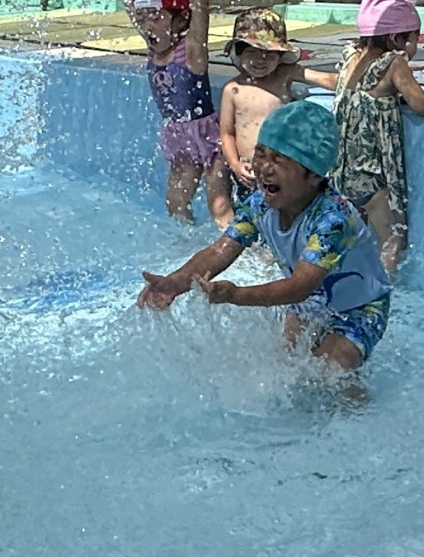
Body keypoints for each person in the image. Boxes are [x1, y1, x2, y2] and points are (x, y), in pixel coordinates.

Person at [137, 100, 391, 370]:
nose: (265, 167)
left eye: (279, 160)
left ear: (314, 175)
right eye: (261, 154)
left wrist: (236, 295)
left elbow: (299, 286)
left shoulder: (333, 219)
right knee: (289, 363)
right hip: (312, 300)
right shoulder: (260, 204)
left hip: (360, 306)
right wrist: (176, 282)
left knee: (333, 365)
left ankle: (357, 397)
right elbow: (219, 250)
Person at [330, 0, 424, 273]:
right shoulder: (393, 63)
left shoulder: (350, 56)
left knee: (348, 241)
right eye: (415, 38)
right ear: (395, 39)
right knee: (392, 240)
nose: (416, 46)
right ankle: (383, 292)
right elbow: (420, 103)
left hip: (341, 171)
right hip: (373, 176)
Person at [121, 0, 231, 225]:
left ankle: (237, 246)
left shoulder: (191, 50)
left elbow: (202, 2)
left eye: (156, 17)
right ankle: (187, 246)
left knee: (219, 205)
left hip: (209, 137)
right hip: (178, 138)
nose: (148, 25)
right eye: (143, 18)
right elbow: (129, 1)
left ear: (181, 19)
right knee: (175, 204)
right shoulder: (153, 47)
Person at [217, 6, 313, 200]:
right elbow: (227, 133)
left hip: (282, 168)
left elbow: (327, 80)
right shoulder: (233, 89)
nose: (260, 60)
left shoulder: (284, 76)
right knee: (248, 212)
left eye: (269, 54)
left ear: (280, 57)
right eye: (252, 51)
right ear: (239, 52)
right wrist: (235, 164)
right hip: (249, 170)